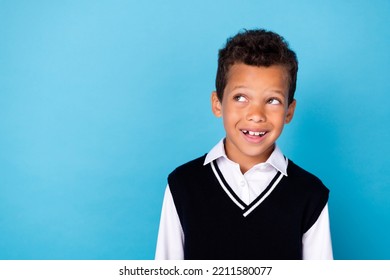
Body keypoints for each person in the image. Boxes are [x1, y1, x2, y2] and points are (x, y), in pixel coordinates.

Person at [155, 29, 333, 260]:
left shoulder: (310, 194)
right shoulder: (183, 185)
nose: (256, 115)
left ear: (289, 111)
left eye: (272, 100)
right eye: (241, 98)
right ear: (217, 104)